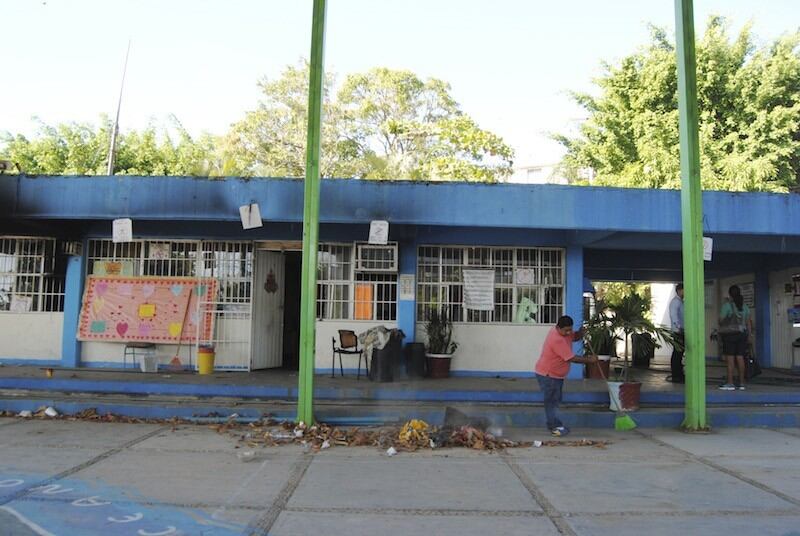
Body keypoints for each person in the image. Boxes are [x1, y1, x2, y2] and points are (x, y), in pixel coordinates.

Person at [535, 315, 598, 436]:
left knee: (556, 399)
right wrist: (590, 360)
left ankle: (555, 424)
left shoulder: (565, 333)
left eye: (570, 329)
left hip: (556, 375)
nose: (569, 332)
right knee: (552, 401)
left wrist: (580, 333)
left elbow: (573, 337)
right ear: (558, 328)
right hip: (548, 375)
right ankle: (554, 427)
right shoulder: (556, 339)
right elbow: (571, 358)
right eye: (566, 330)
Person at [718, 285, 753, 391]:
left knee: (730, 360)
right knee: (740, 358)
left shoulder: (727, 306)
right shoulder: (745, 306)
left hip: (730, 336)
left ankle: (730, 383)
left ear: (730, 295)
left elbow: (720, 320)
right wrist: (750, 335)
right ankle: (742, 383)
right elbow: (748, 322)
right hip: (742, 335)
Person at [668, 283, 685, 383]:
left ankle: (679, 373)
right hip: (678, 331)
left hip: (681, 330)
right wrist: (678, 327)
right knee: (677, 353)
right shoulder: (675, 302)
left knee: (679, 353)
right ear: (679, 290)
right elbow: (674, 316)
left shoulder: (680, 302)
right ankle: (676, 374)